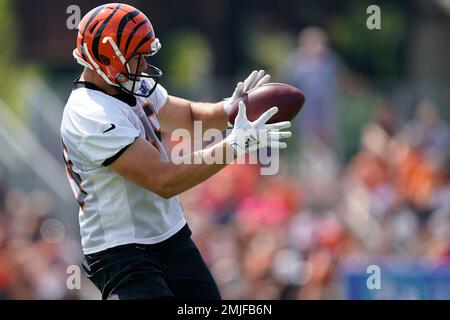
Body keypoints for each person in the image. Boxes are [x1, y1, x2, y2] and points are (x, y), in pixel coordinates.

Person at [60, 3, 291, 300]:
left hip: (172, 238)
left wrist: (233, 109)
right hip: (122, 251)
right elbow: (164, 180)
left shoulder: (130, 85)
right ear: (107, 59)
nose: (143, 66)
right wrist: (237, 144)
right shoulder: (90, 113)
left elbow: (192, 117)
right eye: (136, 58)